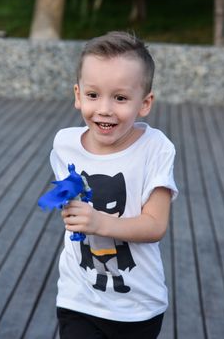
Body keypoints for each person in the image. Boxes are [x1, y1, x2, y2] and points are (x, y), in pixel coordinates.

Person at [49, 31, 178, 338]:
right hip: (78, 297)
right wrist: (60, 198)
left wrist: (98, 221)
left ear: (144, 103)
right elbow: (69, 191)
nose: (105, 108)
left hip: (137, 307)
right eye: (93, 95)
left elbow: (155, 225)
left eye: (120, 98)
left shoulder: (155, 148)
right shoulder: (65, 143)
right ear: (78, 95)